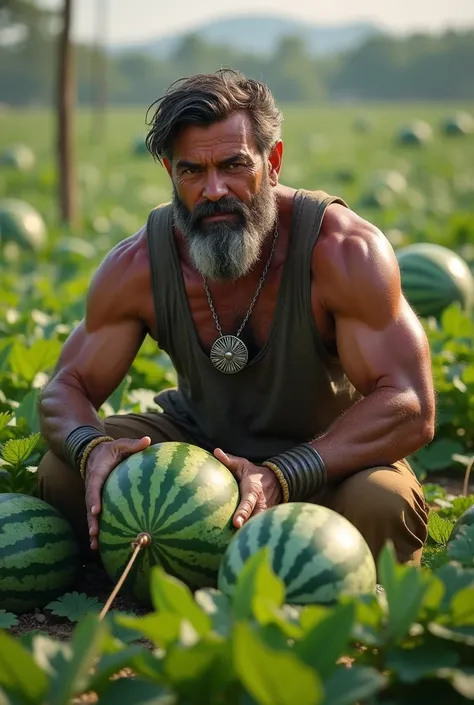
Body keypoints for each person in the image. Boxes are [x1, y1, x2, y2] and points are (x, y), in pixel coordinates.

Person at [37, 69, 435, 568]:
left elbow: (411, 405)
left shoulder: (343, 251)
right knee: (60, 472)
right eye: (192, 171)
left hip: (326, 456)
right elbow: (62, 388)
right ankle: (177, 564)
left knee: (381, 504)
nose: (214, 190)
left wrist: (285, 472)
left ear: (273, 162)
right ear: (169, 172)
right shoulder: (139, 264)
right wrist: (89, 448)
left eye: (233, 165)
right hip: (199, 446)